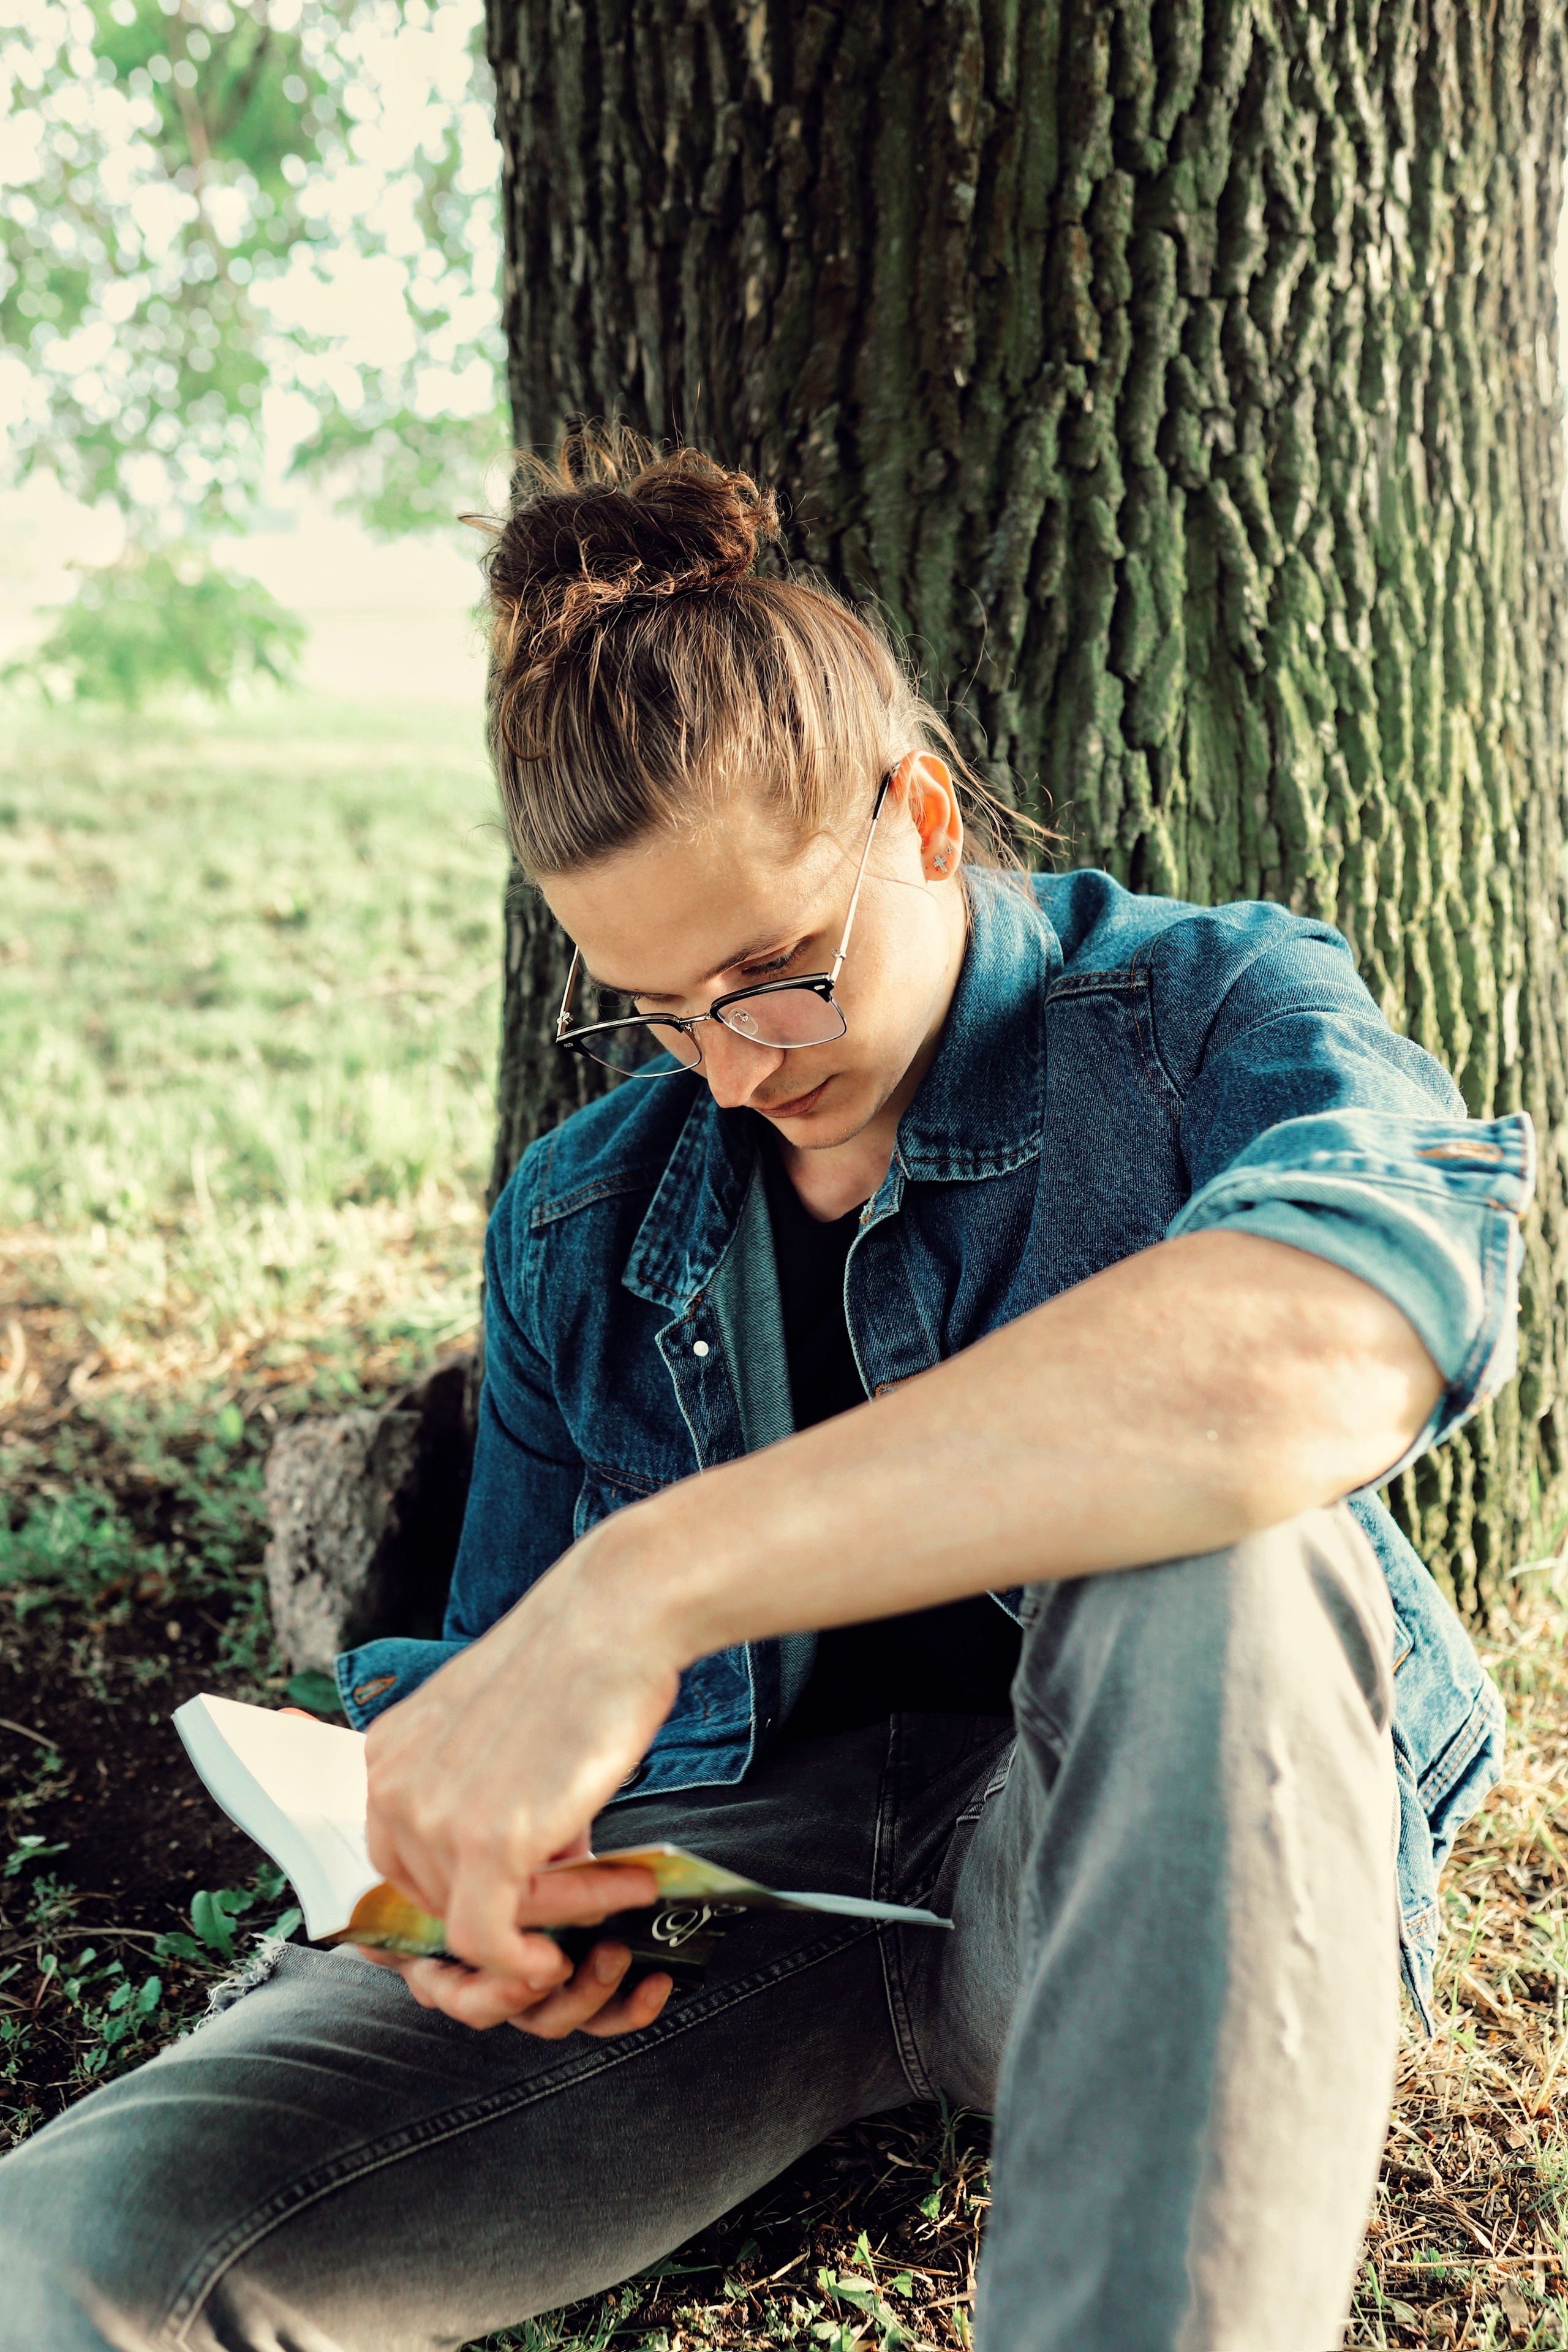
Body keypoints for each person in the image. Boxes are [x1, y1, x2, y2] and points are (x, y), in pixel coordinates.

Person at [0, 437, 1529, 2352]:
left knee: (1219, 1549)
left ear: (923, 811)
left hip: (1137, 1880)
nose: (728, 1072)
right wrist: (501, 1889)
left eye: (776, 979)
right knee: (65, 2245)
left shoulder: (1204, 1015)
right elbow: (493, 1668)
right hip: (737, 1923)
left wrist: (654, 1582)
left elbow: (1342, 1327)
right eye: (651, 1014)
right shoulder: (582, 1215)